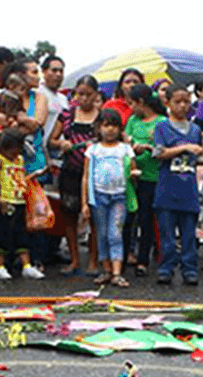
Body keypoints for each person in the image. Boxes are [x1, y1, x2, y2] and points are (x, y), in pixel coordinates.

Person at [49, 74, 100, 275]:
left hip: (96, 173)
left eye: (88, 94)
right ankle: (74, 260)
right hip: (70, 171)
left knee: (95, 217)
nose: (84, 99)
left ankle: (94, 262)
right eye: (80, 94)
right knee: (69, 215)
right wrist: (62, 143)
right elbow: (51, 140)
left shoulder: (103, 115)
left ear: (96, 95)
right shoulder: (67, 114)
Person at [153, 85, 203, 285]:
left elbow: (197, 157)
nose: (183, 106)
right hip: (167, 186)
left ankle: (189, 268)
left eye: (186, 101)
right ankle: (166, 267)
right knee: (167, 233)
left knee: (189, 233)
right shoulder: (161, 127)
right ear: (168, 103)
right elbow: (159, 153)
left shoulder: (196, 129)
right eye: (178, 101)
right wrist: (184, 147)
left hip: (189, 187)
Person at [82, 109, 136, 287]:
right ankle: (106, 270)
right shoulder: (93, 150)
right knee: (102, 234)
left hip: (119, 196)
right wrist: (85, 203)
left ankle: (117, 272)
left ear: (120, 128)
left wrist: (134, 175)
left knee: (115, 234)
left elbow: (132, 171)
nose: (110, 130)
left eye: (114, 125)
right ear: (98, 128)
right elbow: (86, 177)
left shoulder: (125, 149)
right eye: (106, 125)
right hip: (98, 196)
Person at [0, 127, 44, 279]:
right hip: (6, 201)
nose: (15, 152)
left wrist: (33, 176)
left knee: (21, 234)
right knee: (3, 234)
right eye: (12, 149)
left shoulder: (20, 160)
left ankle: (27, 265)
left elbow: (20, 179)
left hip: (19, 200)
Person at [126, 83, 165, 277]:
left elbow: (164, 149)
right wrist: (131, 145)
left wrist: (148, 148)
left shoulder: (162, 122)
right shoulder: (133, 121)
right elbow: (126, 141)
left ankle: (144, 259)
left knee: (147, 219)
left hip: (153, 176)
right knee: (131, 217)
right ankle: (127, 255)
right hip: (133, 176)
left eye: (132, 103)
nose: (130, 108)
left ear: (141, 102)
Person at [39, 54, 68, 163]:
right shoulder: (38, 93)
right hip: (39, 152)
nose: (58, 74)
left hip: (59, 153)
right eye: (54, 70)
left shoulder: (63, 99)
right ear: (44, 71)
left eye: (61, 71)